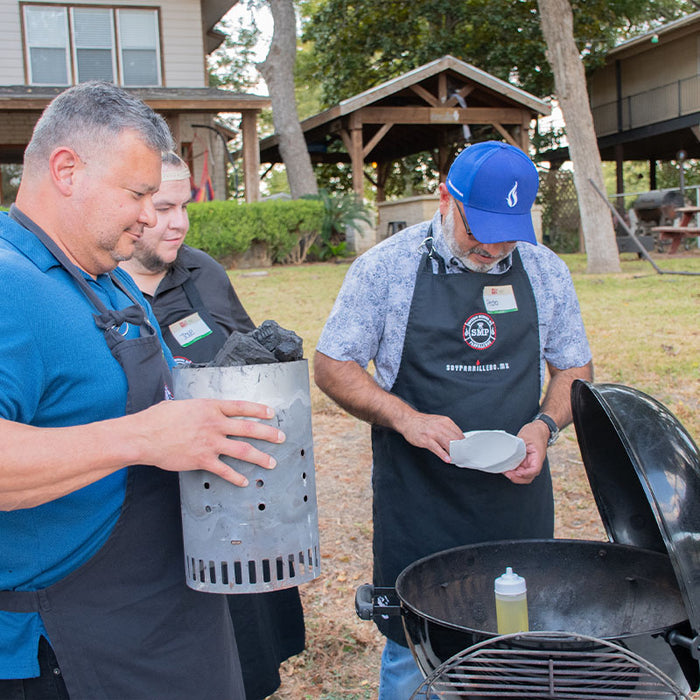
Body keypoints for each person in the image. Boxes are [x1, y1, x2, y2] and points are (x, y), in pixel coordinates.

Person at [0, 82, 286, 700]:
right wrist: (141, 437)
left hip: (167, 614)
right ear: (66, 169)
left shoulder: (110, 281)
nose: (149, 215)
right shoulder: (8, 283)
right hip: (72, 642)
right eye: (137, 195)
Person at [314, 141, 593, 698]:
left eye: (506, 233)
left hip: (516, 499)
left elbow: (574, 368)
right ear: (447, 199)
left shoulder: (544, 271)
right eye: (478, 230)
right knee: (413, 654)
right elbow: (331, 364)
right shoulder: (385, 269)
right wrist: (407, 417)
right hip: (421, 502)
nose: (491, 248)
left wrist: (544, 428)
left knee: (516, 646)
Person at [120, 152, 306, 700]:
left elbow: (249, 362)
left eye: (185, 207)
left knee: (245, 663)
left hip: (233, 512)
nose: (178, 222)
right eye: (163, 207)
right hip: (146, 518)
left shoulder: (204, 272)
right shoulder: (98, 288)